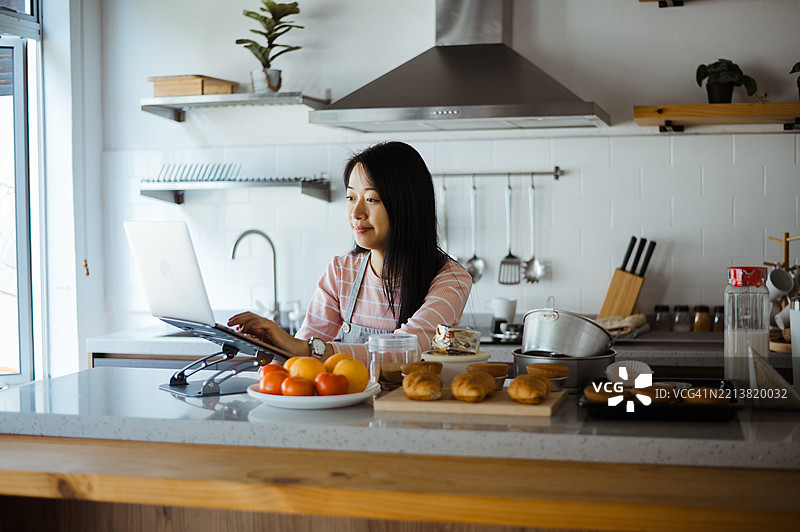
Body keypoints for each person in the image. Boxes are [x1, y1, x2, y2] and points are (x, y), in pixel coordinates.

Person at [228, 141, 472, 363]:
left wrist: (306, 349)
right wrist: (275, 349)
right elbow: (301, 353)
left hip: (411, 408)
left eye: (372, 199)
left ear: (406, 205)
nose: (356, 212)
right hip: (346, 409)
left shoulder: (452, 280)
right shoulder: (341, 271)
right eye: (351, 197)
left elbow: (406, 350)